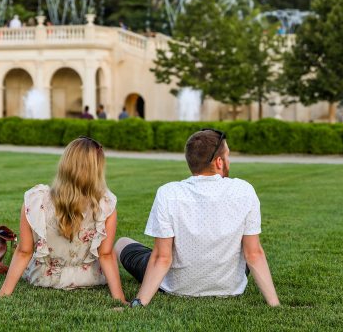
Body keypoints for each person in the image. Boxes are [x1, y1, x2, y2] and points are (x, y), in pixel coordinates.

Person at [115, 129, 280, 308]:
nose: (228, 161)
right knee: (245, 245)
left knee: (122, 243)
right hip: (229, 286)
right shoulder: (244, 190)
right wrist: (274, 304)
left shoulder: (168, 193)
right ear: (219, 162)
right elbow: (253, 254)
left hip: (177, 286)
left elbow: (162, 258)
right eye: (227, 156)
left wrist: (139, 303)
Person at [0, 137, 126, 304]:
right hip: (90, 278)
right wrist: (120, 298)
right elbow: (106, 254)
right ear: (97, 169)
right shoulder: (105, 205)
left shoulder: (36, 200)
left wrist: (3, 294)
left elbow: (24, 251)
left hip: (43, 278)